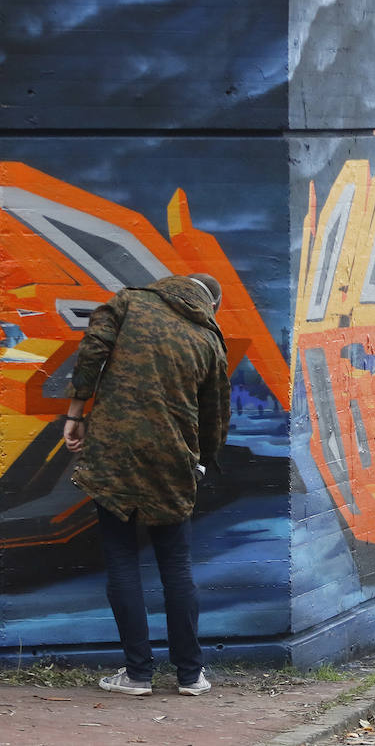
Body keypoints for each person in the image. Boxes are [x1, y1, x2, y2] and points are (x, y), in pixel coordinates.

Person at [61, 274, 230, 697]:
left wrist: (76, 412)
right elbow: (215, 415)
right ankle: (191, 675)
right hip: (173, 460)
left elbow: (92, 352)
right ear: (211, 304)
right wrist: (204, 462)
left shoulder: (130, 303)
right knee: (175, 565)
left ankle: (137, 674)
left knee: (121, 559)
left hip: (114, 454)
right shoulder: (208, 339)